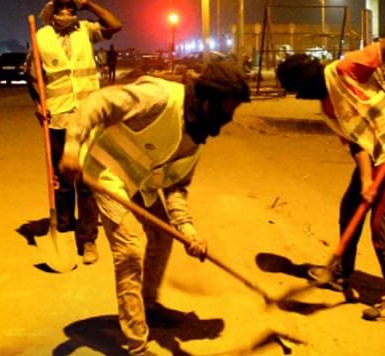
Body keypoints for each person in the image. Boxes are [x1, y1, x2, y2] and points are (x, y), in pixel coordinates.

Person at [59, 63, 250, 356]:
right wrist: (72, 148)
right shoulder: (159, 97)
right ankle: (137, 345)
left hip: (138, 181)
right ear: (209, 99)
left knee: (163, 236)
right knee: (129, 252)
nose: (228, 117)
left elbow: (176, 188)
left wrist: (188, 231)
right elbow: (97, 103)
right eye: (227, 107)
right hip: (104, 171)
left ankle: (148, 305)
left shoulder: (195, 135)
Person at [276, 36, 385, 321]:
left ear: (311, 83)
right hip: (373, 154)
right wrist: (366, 180)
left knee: (380, 222)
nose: (305, 98)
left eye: (303, 92)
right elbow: (357, 143)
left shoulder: (346, 68)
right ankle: (340, 274)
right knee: (350, 208)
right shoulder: (327, 107)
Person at [28, 0, 122, 264]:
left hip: (87, 117)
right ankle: (65, 231)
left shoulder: (86, 30)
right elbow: (33, 75)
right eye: (62, 5)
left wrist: (89, 4)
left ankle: (88, 239)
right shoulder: (40, 37)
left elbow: (115, 25)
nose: (67, 10)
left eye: (71, 5)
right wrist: (37, 104)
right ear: (53, 9)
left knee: (86, 183)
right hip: (57, 117)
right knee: (62, 183)